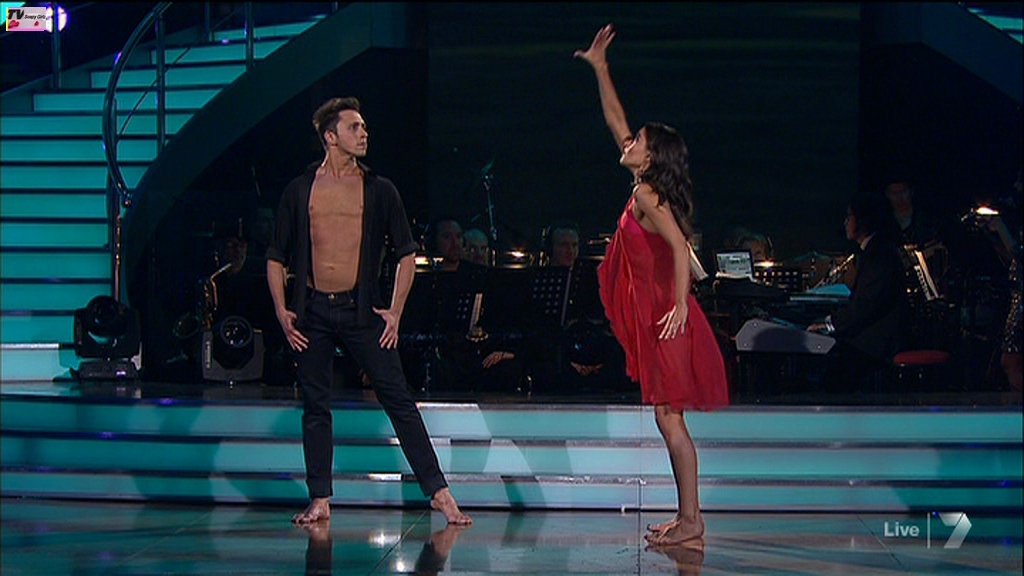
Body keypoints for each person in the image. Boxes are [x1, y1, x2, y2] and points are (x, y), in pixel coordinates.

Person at [265, 96, 471, 525]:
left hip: (361, 309)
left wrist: (395, 311)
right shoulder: (301, 189)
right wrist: (282, 310)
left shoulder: (379, 189)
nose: (364, 133)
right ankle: (320, 497)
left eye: (363, 127)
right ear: (330, 136)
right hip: (312, 310)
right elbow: (275, 256)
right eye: (354, 127)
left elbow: (407, 254)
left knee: (398, 398)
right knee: (315, 405)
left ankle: (439, 492)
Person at [575, 24, 729, 548]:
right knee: (668, 417)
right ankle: (687, 517)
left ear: (650, 157)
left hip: (667, 316)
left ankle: (692, 520)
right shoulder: (643, 184)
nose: (629, 141)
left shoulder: (646, 194)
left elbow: (681, 245)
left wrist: (681, 304)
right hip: (662, 314)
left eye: (638, 141)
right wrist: (601, 68)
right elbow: (615, 120)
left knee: (670, 419)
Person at [807, 194, 909, 385]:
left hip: (877, 343)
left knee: (824, 373)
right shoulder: (875, 250)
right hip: (871, 336)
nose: (845, 222)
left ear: (863, 220)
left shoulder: (880, 253)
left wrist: (830, 324)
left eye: (849, 216)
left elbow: (866, 305)